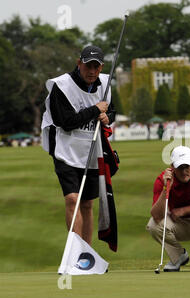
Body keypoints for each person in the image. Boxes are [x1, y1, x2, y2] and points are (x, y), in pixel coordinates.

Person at [40, 45, 116, 245]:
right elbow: (66, 122)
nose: (91, 71)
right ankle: (75, 252)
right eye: (88, 66)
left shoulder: (106, 83)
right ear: (79, 63)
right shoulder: (61, 86)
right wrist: (94, 110)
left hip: (91, 150)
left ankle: (86, 255)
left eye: (96, 67)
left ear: (101, 67)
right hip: (65, 150)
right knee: (72, 199)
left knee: (87, 204)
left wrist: (107, 117)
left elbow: (111, 110)